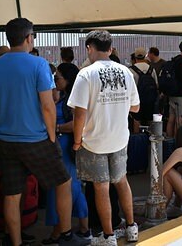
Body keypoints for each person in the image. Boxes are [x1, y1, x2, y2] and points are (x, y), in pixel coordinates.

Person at [0, 18, 87, 246]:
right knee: (63, 182)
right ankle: (65, 234)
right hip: (36, 138)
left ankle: (14, 241)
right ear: (29, 37)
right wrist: (52, 135)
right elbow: (48, 106)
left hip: (4, 141)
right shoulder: (38, 65)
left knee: (12, 194)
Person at [67, 30, 140, 245]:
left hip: (93, 141)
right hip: (119, 138)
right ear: (110, 49)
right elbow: (135, 107)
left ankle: (108, 237)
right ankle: (131, 227)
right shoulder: (125, 72)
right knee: (121, 182)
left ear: (89, 47)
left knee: (101, 187)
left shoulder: (85, 74)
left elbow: (79, 113)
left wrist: (77, 140)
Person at [42, 63, 90, 244]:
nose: (55, 81)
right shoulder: (64, 96)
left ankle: (60, 231)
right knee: (74, 188)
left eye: (58, 78)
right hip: (66, 148)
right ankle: (83, 228)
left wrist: (56, 127)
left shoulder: (72, 100)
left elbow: (78, 124)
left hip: (66, 149)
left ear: (68, 80)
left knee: (63, 190)